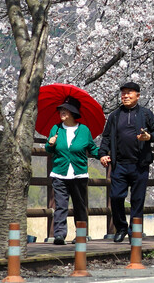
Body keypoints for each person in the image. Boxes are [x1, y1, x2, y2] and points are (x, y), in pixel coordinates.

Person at [99, 81, 154, 241]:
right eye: (123, 93)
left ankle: (135, 230)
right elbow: (106, 137)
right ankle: (121, 228)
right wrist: (102, 154)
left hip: (139, 164)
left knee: (137, 198)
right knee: (116, 197)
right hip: (119, 164)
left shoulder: (146, 114)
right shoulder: (114, 115)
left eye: (129, 93)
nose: (125, 96)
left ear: (137, 96)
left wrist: (149, 137)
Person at [46, 97, 101, 245]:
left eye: (66, 110)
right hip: (59, 173)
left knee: (79, 205)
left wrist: (103, 155)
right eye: (61, 110)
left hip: (79, 173)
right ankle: (59, 235)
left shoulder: (83, 130)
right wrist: (50, 144)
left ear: (73, 112)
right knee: (61, 206)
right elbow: (48, 148)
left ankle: (81, 234)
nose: (62, 112)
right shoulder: (56, 128)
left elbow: (92, 148)